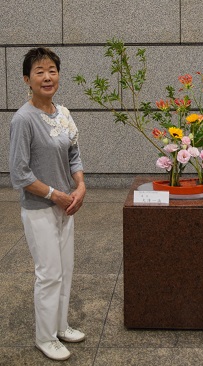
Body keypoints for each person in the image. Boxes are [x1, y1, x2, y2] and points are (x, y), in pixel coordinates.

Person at [9, 47, 86, 361]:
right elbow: (19, 172)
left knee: (65, 271)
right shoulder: (23, 119)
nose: (47, 76)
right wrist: (55, 194)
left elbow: (74, 155)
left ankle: (60, 326)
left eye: (52, 70)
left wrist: (80, 186)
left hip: (67, 206)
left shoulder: (63, 113)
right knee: (49, 273)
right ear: (27, 79)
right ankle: (44, 337)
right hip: (40, 208)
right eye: (39, 71)